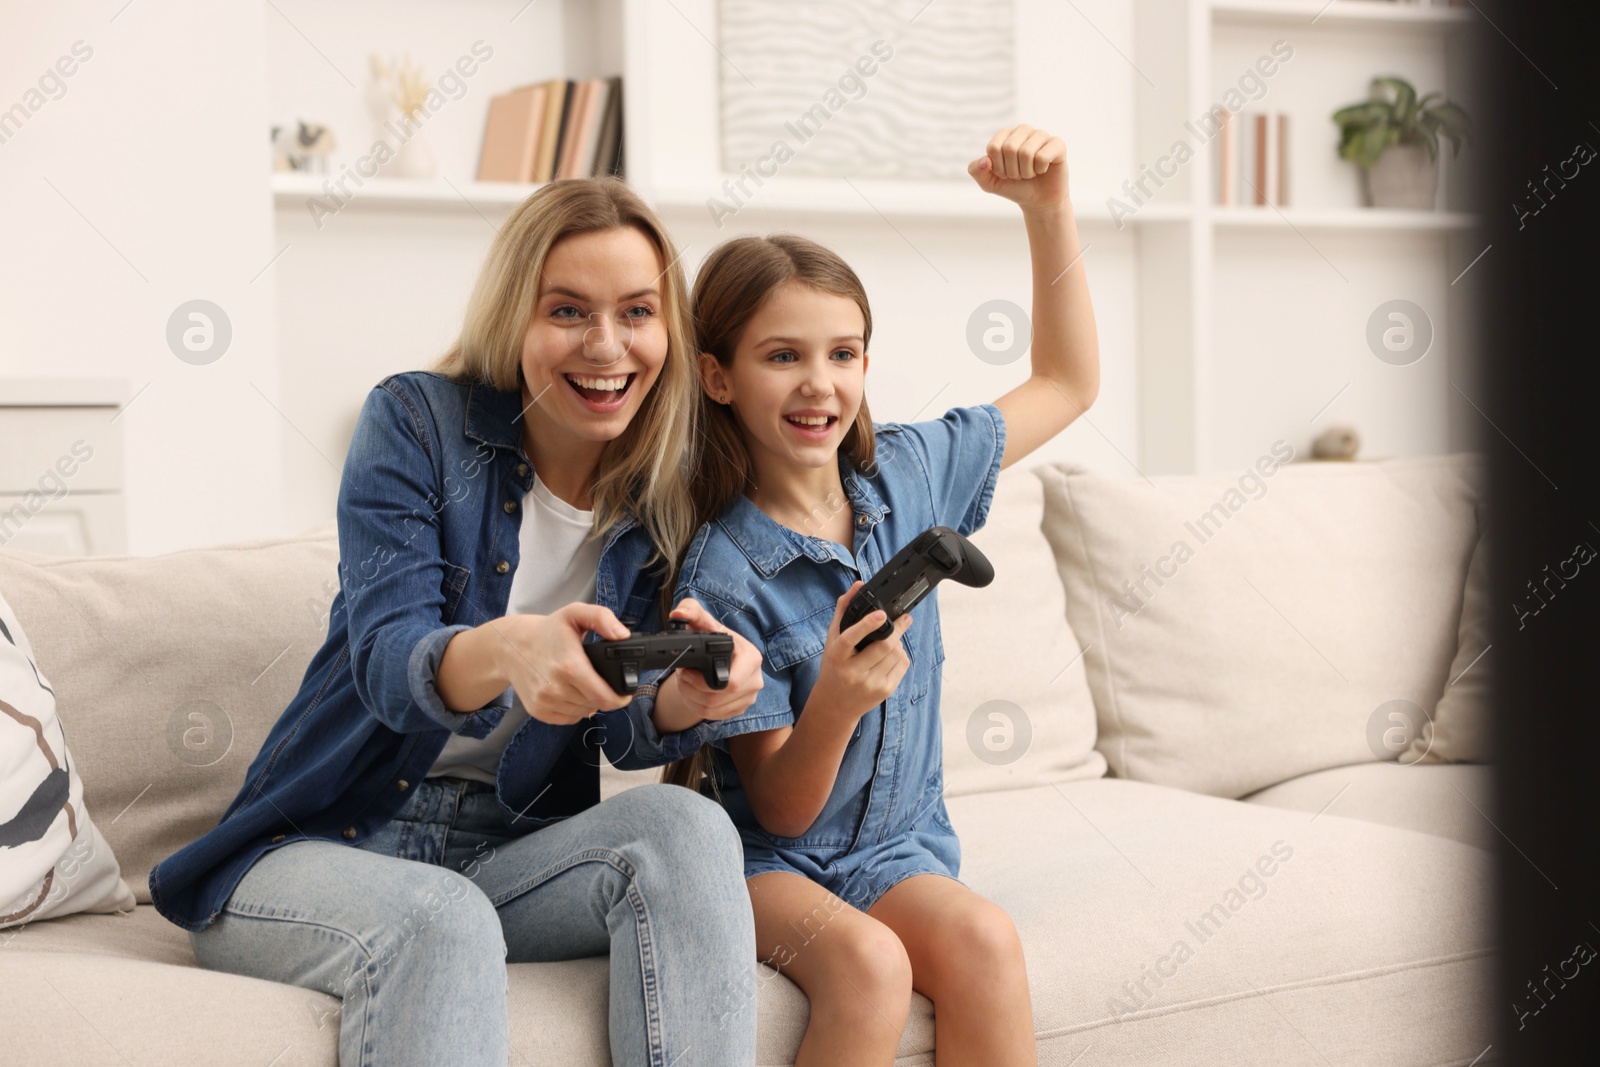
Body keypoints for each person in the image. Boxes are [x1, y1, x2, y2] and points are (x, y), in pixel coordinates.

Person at [148, 178, 766, 1067]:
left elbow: (624, 734)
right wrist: (513, 648)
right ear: (515, 316)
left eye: (636, 310)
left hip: (507, 853)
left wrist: (682, 699)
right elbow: (388, 661)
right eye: (567, 310)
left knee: (690, 830)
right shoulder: (414, 422)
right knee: (440, 919)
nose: (606, 345)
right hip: (317, 843)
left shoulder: (665, 491)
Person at [618, 125, 1100, 1065]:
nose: (820, 384)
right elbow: (787, 810)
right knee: (871, 967)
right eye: (783, 356)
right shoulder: (723, 575)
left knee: (988, 940)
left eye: (844, 354)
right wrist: (834, 700)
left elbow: (1069, 381)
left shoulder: (913, 474)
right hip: (767, 864)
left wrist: (1048, 212)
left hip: (895, 852)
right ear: (717, 376)